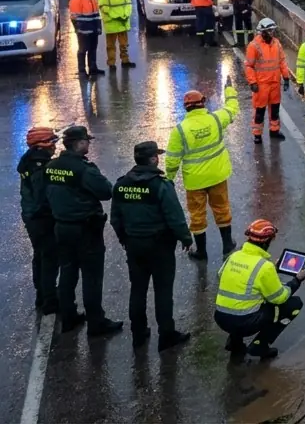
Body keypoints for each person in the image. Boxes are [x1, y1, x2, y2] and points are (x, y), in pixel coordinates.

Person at [111, 141, 193, 351]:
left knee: (137, 289)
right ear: (154, 159)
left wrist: (125, 239)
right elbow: (174, 215)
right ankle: (166, 335)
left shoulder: (121, 185)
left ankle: (138, 334)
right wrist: (185, 237)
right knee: (163, 291)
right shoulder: (160, 185)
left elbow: (116, 218)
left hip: (134, 245)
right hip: (159, 246)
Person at [45, 125, 122, 336]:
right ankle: (96, 323)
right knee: (91, 277)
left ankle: (69, 317)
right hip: (85, 230)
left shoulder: (51, 166)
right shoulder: (83, 169)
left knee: (68, 273)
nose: (88, 143)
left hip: (61, 227)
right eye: (86, 141)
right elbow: (106, 191)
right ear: (78, 144)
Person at [165, 87, 239, 260]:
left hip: (195, 181)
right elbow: (232, 109)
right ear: (203, 103)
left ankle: (201, 251)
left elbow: (172, 159)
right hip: (217, 176)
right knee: (222, 209)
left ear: (186, 108)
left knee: (197, 215)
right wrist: (229, 90)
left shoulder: (180, 130)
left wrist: (169, 179)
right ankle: (227, 244)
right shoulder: (215, 119)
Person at [214, 219, 305, 359]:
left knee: (242, 302)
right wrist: (296, 281)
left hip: (221, 317)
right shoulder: (264, 266)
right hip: (245, 323)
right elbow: (280, 297)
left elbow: (221, 276)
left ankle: (235, 343)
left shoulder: (234, 256)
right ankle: (259, 346)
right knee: (293, 304)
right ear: (266, 242)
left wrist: (271, 273)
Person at [19, 127, 59, 315]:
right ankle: (50, 300)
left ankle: (42, 295)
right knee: (49, 257)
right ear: (43, 144)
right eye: (52, 142)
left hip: (31, 216)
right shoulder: (40, 165)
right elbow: (42, 194)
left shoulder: (28, 160)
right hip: (40, 218)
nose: (54, 147)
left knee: (40, 256)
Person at [245, 18, 291, 143]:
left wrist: (286, 78)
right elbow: (249, 66)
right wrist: (253, 82)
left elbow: (282, 62)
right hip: (261, 84)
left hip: (275, 83)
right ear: (263, 32)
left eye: (272, 31)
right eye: (269, 31)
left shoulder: (276, 43)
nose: (271, 33)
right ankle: (257, 134)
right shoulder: (254, 46)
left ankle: (274, 131)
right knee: (260, 111)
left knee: (275, 109)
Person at [96, 0, 135, 68]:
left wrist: (125, 15)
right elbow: (104, 8)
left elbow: (128, 4)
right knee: (111, 46)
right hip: (112, 24)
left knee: (124, 44)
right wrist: (118, 16)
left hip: (122, 22)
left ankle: (125, 61)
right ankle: (111, 63)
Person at [69, 0, 103, 77]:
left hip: (93, 30)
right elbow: (74, 18)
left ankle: (93, 68)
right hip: (83, 31)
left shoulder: (92, 0)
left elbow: (97, 15)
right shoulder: (75, 0)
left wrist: (99, 28)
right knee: (83, 50)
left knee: (93, 49)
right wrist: (78, 29)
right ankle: (82, 71)